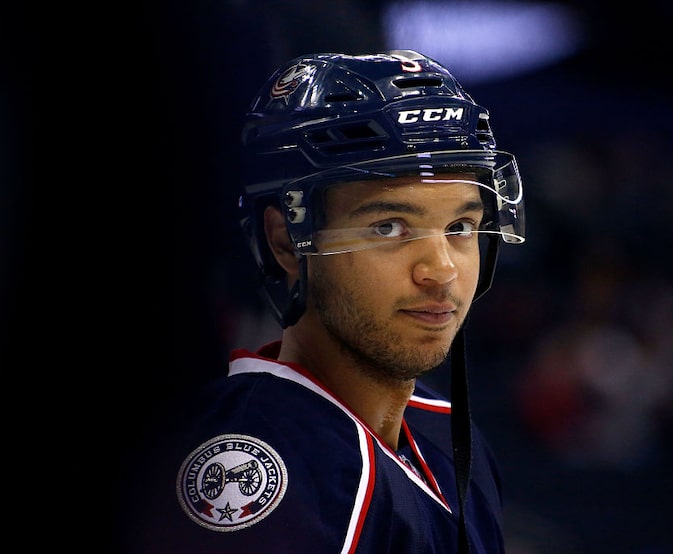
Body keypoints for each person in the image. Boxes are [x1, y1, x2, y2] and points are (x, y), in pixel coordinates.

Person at [132, 50, 526, 553]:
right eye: (389, 227)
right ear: (284, 242)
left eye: (460, 228)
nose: (442, 270)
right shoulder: (256, 462)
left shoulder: (442, 428)